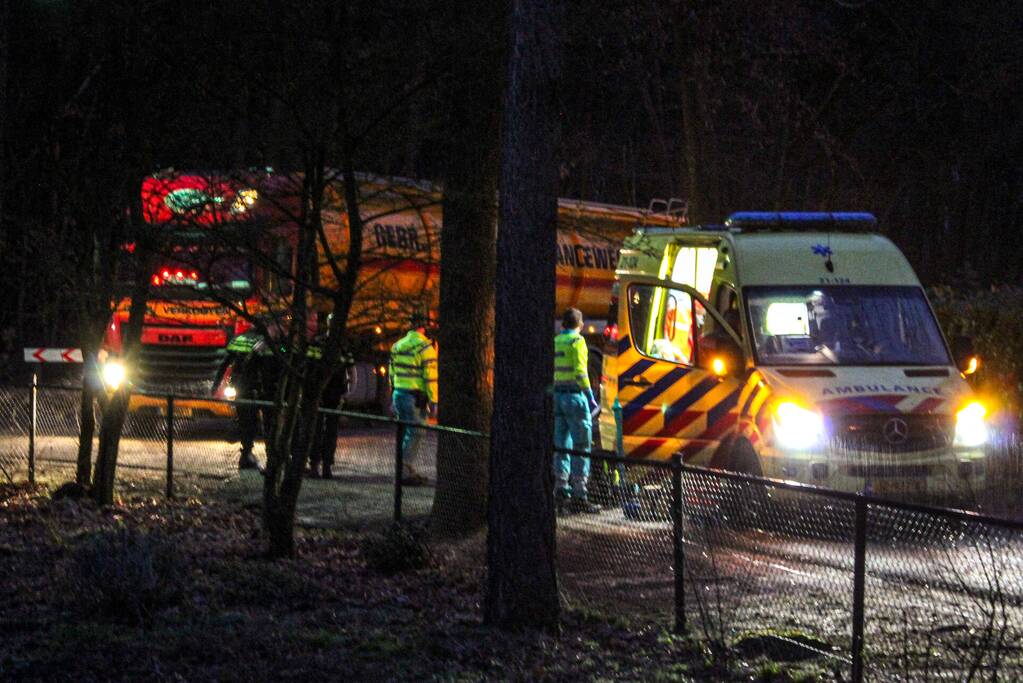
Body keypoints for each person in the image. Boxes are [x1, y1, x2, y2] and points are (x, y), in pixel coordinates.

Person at [553, 307, 601, 514]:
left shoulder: (556, 342)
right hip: (575, 398)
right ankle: (580, 495)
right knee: (581, 446)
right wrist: (590, 397)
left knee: (562, 444)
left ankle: (561, 491)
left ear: (563, 324)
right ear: (580, 325)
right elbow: (581, 372)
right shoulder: (578, 342)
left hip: (557, 397)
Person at [389, 312, 437, 486]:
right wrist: (434, 400)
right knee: (417, 432)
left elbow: (391, 372)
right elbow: (430, 377)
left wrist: (392, 394)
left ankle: (405, 469)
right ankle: (404, 470)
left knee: (406, 433)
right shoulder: (425, 348)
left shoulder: (397, 346)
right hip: (415, 397)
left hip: (399, 394)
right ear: (423, 327)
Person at [214, 326, 271, 470]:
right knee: (269, 423)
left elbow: (225, 363)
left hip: (241, 388)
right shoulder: (267, 341)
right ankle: (270, 457)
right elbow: (282, 354)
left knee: (245, 422)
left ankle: (246, 454)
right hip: (262, 388)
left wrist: (215, 385)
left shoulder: (238, 340)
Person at [306, 325, 354, 479]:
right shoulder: (336, 345)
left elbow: (351, 370)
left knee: (326, 430)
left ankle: (323, 465)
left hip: (331, 393)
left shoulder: (339, 345)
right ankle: (317, 465)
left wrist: (350, 390)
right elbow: (351, 371)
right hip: (323, 392)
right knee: (319, 429)